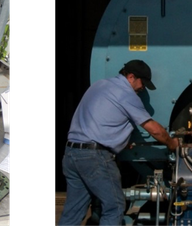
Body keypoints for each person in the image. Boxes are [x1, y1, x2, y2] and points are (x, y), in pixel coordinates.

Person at [60, 60, 179, 226]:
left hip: (71, 154)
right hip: (94, 158)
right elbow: (155, 130)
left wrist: (121, 139)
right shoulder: (126, 93)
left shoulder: (100, 85)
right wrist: (172, 143)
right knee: (115, 207)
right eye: (142, 83)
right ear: (131, 77)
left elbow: (101, 119)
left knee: (73, 212)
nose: (142, 88)